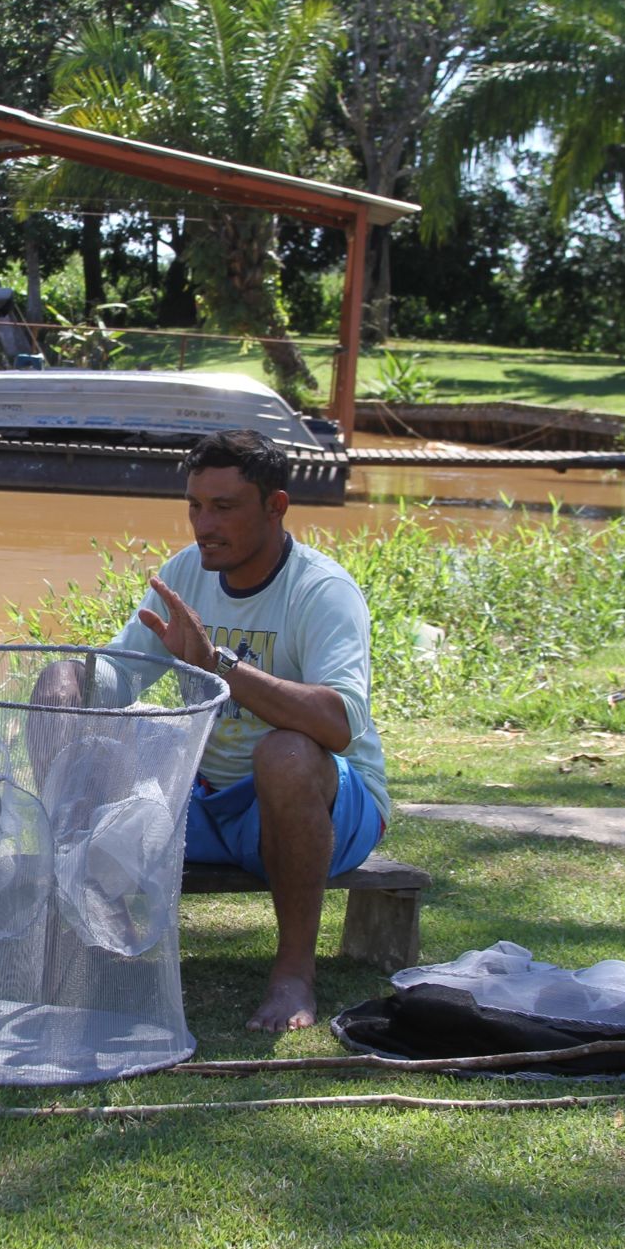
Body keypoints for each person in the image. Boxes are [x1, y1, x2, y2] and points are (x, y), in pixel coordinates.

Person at [34, 429, 388, 1032]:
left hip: (324, 809)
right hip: (206, 802)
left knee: (286, 752)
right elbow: (124, 675)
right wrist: (72, 679)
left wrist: (216, 663)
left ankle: (294, 976)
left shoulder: (321, 590)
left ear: (275, 507)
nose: (205, 525)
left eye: (224, 508)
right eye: (196, 506)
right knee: (75, 701)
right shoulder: (185, 574)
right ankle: (96, 928)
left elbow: (336, 723)